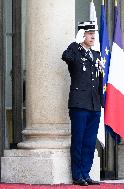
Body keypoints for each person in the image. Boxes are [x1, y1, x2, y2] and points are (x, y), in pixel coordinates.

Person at [62, 21, 103, 186]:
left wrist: (101, 101)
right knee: (78, 140)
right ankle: (77, 175)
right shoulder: (75, 53)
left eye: (94, 33)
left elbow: (99, 80)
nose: (93, 36)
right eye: (89, 32)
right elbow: (66, 56)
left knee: (89, 141)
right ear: (82, 35)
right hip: (79, 104)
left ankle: (86, 173)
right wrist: (75, 42)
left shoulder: (97, 54)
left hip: (94, 104)